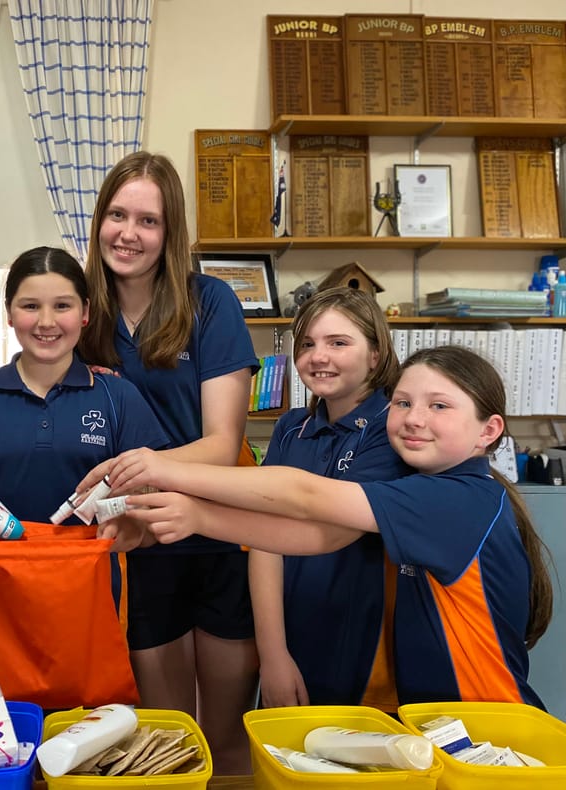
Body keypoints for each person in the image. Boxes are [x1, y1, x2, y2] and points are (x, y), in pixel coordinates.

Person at [121, 345, 554, 709]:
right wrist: (200, 518)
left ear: (489, 430)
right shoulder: (424, 487)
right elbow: (321, 536)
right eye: (403, 403)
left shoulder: (458, 499)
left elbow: (305, 497)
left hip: (490, 731)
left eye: (439, 406)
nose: (414, 419)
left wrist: (167, 469)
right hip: (439, 727)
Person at [75, 151, 259, 773]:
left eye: (148, 221)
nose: (129, 233)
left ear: (170, 232)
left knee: (227, 740)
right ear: (98, 219)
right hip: (137, 543)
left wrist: (137, 469)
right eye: (117, 215)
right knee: (166, 744)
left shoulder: (211, 303)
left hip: (218, 534)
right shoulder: (83, 313)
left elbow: (221, 442)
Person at [0, 245, 168, 538]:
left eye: (62, 306)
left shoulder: (119, 397)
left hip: (94, 579)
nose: (46, 322)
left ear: (85, 312)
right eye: (30, 306)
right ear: (9, 313)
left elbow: (154, 506)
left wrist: (137, 528)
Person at [249, 287, 410, 711]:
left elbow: (317, 522)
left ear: (375, 354)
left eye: (338, 342)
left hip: (360, 643)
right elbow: (264, 540)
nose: (319, 356)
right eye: (307, 344)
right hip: (289, 634)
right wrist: (273, 655)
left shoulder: (392, 429)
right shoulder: (291, 427)